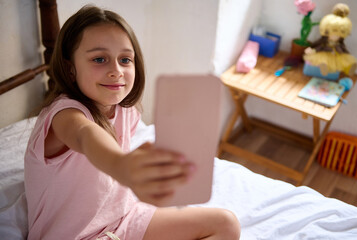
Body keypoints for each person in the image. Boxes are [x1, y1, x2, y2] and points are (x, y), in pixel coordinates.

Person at [24, 5, 240, 240]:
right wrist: (121, 166)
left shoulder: (126, 110)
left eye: (125, 59)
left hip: (124, 220)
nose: (116, 70)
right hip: (78, 236)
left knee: (226, 224)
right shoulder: (64, 116)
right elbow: (86, 137)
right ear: (70, 68)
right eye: (99, 59)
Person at [303, 3, 357, 76]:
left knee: (343, 62)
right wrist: (312, 50)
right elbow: (319, 48)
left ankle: (349, 69)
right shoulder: (324, 43)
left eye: (339, 35)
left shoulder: (339, 44)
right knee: (323, 61)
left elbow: (344, 50)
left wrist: (346, 54)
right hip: (325, 54)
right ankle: (324, 68)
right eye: (332, 33)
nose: (335, 36)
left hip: (336, 55)